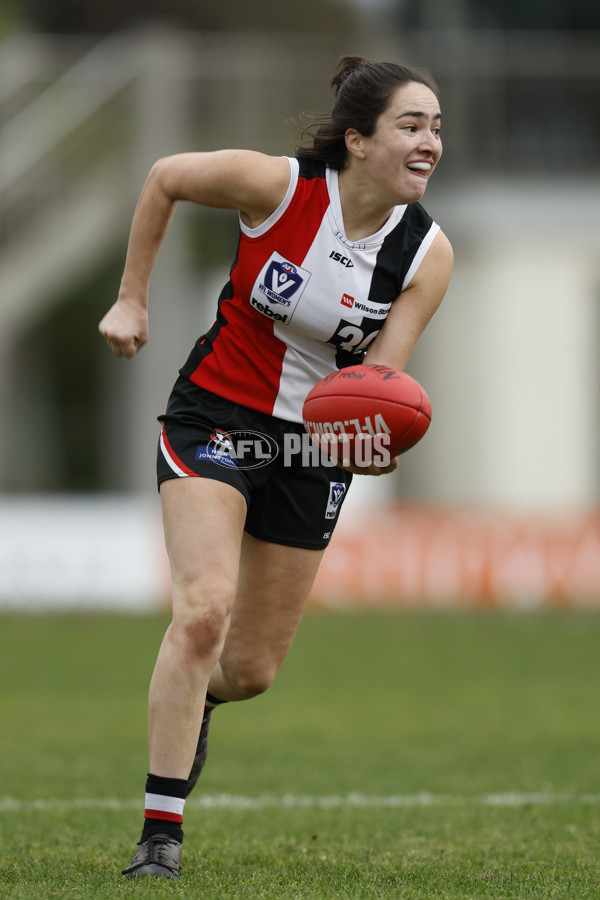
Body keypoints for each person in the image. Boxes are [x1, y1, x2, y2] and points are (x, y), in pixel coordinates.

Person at [99, 54, 453, 879]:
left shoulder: (427, 254)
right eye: (412, 125)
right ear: (357, 141)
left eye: (437, 127)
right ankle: (161, 836)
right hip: (216, 413)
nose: (431, 141)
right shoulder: (279, 187)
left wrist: (381, 437)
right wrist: (132, 296)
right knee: (203, 610)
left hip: (309, 449)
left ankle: (203, 704)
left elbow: (379, 386)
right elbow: (164, 177)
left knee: (251, 670)